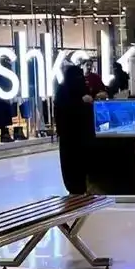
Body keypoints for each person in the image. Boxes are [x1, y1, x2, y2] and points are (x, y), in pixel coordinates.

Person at [54, 64, 94, 195]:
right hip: (75, 136)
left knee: (72, 166)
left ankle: (77, 188)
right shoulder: (65, 93)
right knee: (75, 165)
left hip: (70, 138)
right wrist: (83, 103)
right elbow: (67, 111)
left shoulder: (63, 91)